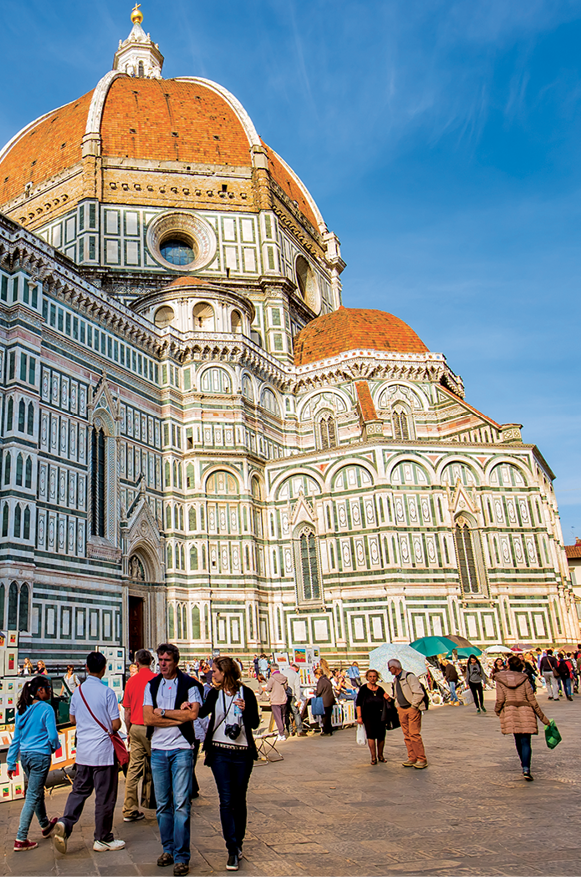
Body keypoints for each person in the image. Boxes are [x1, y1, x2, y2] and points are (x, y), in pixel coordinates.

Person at [54, 652, 125, 855]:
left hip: (83, 753)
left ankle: (66, 823)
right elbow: (115, 724)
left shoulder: (78, 692)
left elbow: (73, 719)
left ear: (86, 668)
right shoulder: (107, 693)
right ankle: (102, 838)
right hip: (103, 753)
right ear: (104, 669)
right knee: (105, 796)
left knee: (79, 791)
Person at [143, 643, 201, 877]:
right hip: (158, 750)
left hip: (182, 749)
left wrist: (164, 713)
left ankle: (181, 856)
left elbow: (194, 714)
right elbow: (148, 718)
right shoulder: (152, 685)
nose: (163, 663)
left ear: (175, 661)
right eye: (160, 660)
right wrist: (180, 717)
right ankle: (167, 850)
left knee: (181, 805)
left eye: (167, 660)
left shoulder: (190, 685)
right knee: (163, 804)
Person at [198, 656, 260, 872]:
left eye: (214, 671)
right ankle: (232, 848)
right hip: (220, 753)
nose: (211, 674)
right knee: (226, 800)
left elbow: (254, 723)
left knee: (239, 799)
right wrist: (187, 704)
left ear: (225, 673)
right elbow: (202, 712)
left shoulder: (247, 694)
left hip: (242, 753)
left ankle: (239, 842)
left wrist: (246, 710)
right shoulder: (214, 694)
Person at [7, 676, 60, 851]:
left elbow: (16, 740)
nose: (50, 691)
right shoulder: (47, 709)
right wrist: (54, 747)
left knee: (36, 793)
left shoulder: (22, 710)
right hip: (40, 757)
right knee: (32, 796)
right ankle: (21, 838)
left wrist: (11, 762)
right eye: (47, 688)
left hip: (26, 757)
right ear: (39, 690)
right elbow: (52, 736)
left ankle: (45, 825)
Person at [494, 654, 551, 781]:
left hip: (511, 711)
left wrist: (497, 710)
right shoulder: (524, 678)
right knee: (526, 742)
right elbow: (532, 700)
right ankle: (526, 768)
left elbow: (500, 699)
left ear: (508, 665)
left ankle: (523, 764)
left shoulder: (500, 679)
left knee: (518, 740)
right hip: (526, 710)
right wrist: (544, 719)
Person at [122, 649, 156, 823]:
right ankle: (165, 805)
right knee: (160, 765)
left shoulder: (131, 682)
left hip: (135, 727)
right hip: (153, 729)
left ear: (136, 663)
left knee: (133, 770)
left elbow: (126, 711)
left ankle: (129, 809)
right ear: (151, 661)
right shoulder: (157, 679)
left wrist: (129, 731)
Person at [387, 659, 428, 768]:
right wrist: (398, 706)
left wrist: (414, 706)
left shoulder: (409, 677)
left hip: (411, 708)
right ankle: (412, 757)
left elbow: (418, 693)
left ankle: (421, 758)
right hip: (402, 709)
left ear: (394, 667)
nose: (388, 670)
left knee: (414, 734)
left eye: (389, 668)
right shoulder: (395, 679)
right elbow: (396, 694)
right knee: (407, 735)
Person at [356, 669, 391, 764]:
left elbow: (388, 701)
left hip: (380, 716)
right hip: (368, 716)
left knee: (381, 736)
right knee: (371, 736)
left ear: (377, 677)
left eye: (374, 676)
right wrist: (359, 716)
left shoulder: (380, 689)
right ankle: (373, 757)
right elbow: (358, 703)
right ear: (367, 677)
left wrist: (388, 699)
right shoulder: (363, 689)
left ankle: (380, 755)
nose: (372, 678)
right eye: (370, 676)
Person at [264, 663, 288, 741]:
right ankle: (282, 732)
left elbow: (268, 688)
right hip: (283, 699)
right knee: (283, 716)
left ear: (272, 669)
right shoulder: (284, 678)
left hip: (275, 700)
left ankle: (281, 734)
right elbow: (286, 688)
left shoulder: (272, 678)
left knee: (278, 718)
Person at [284, 662, 306, 736]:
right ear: (296, 669)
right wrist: (298, 699)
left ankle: (290, 730)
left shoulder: (284, 672)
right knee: (296, 712)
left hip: (284, 695)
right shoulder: (295, 675)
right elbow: (297, 688)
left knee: (286, 713)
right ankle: (299, 730)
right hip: (292, 695)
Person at [314, 667, 335, 735]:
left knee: (324, 717)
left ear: (318, 674)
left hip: (324, 701)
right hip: (330, 700)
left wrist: (315, 693)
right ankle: (330, 729)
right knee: (328, 716)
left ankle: (326, 731)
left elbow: (319, 692)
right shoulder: (327, 679)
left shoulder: (321, 681)